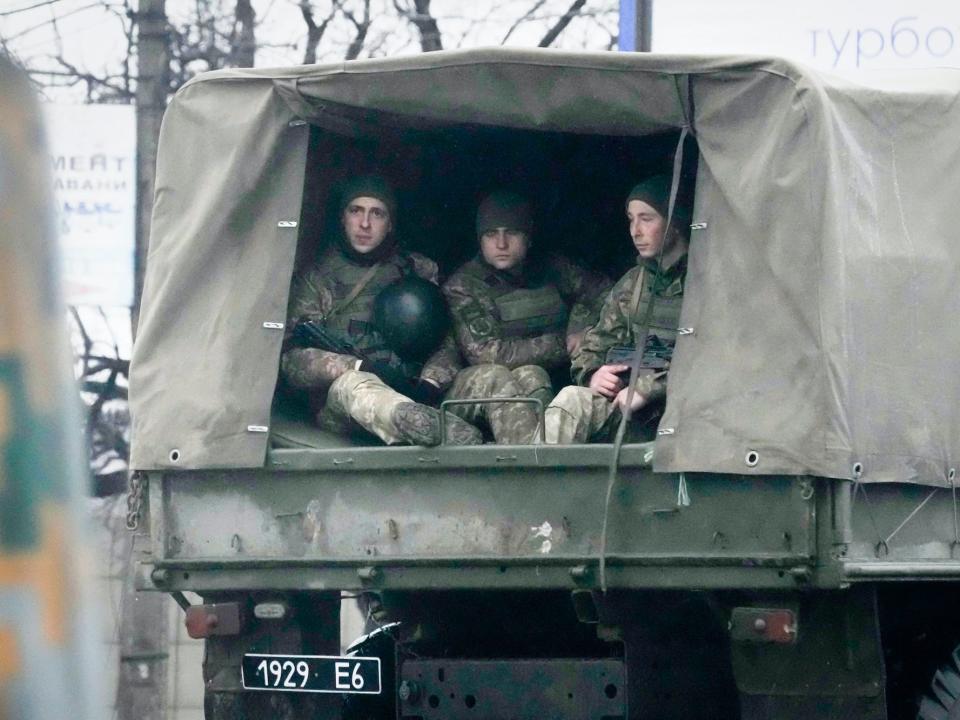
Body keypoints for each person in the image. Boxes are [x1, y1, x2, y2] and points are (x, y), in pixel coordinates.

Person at [281, 175, 482, 446]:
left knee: (491, 378)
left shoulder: (417, 270)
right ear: (343, 218)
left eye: (377, 213)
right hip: (348, 405)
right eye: (356, 211)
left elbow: (447, 342)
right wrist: (358, 366)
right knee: (354, 385)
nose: (365, 224)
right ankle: (421, 423)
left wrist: (430, 384)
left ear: (390, 224)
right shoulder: (318, 279)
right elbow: (293, 362)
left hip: (419, 390)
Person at [443, 190, 611, 444]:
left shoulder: (554, 269)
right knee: (530, 375)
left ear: (528, 238)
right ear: (480, 240)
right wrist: (563, 343)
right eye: (491, 234)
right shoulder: (464, 285)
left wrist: (583, 323)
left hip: (554, 382)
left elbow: (608, 295)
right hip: (487, 393)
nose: (501, 244)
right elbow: (489, 354)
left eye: (511, 233)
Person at [544, 175, 690, 444]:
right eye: (631, 219)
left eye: (646, 219)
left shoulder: (709, 283)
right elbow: (594, 346)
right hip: (637, 416)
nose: (635, 230)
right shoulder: (634, 284)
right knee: (571, 402)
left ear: (675, 222)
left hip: (692, 419)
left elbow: (720, 359)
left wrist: (649, 388)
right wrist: (593, 375)